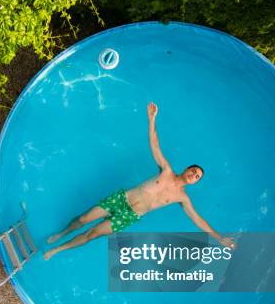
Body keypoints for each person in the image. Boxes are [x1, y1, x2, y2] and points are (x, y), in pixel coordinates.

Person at [44, 102, 235, 260]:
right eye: (194, 170)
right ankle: (63, 232)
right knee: (84, 218)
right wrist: (151, 120)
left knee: (92, 234)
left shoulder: (182, 198)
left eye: (197, 176)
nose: (194, 174)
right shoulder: (166, 170)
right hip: (122, 199)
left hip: (132, 215)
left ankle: (56, 250)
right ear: (186, 169)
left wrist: (219, 238)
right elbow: (155, 144)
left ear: (195, 182)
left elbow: (198, 219)